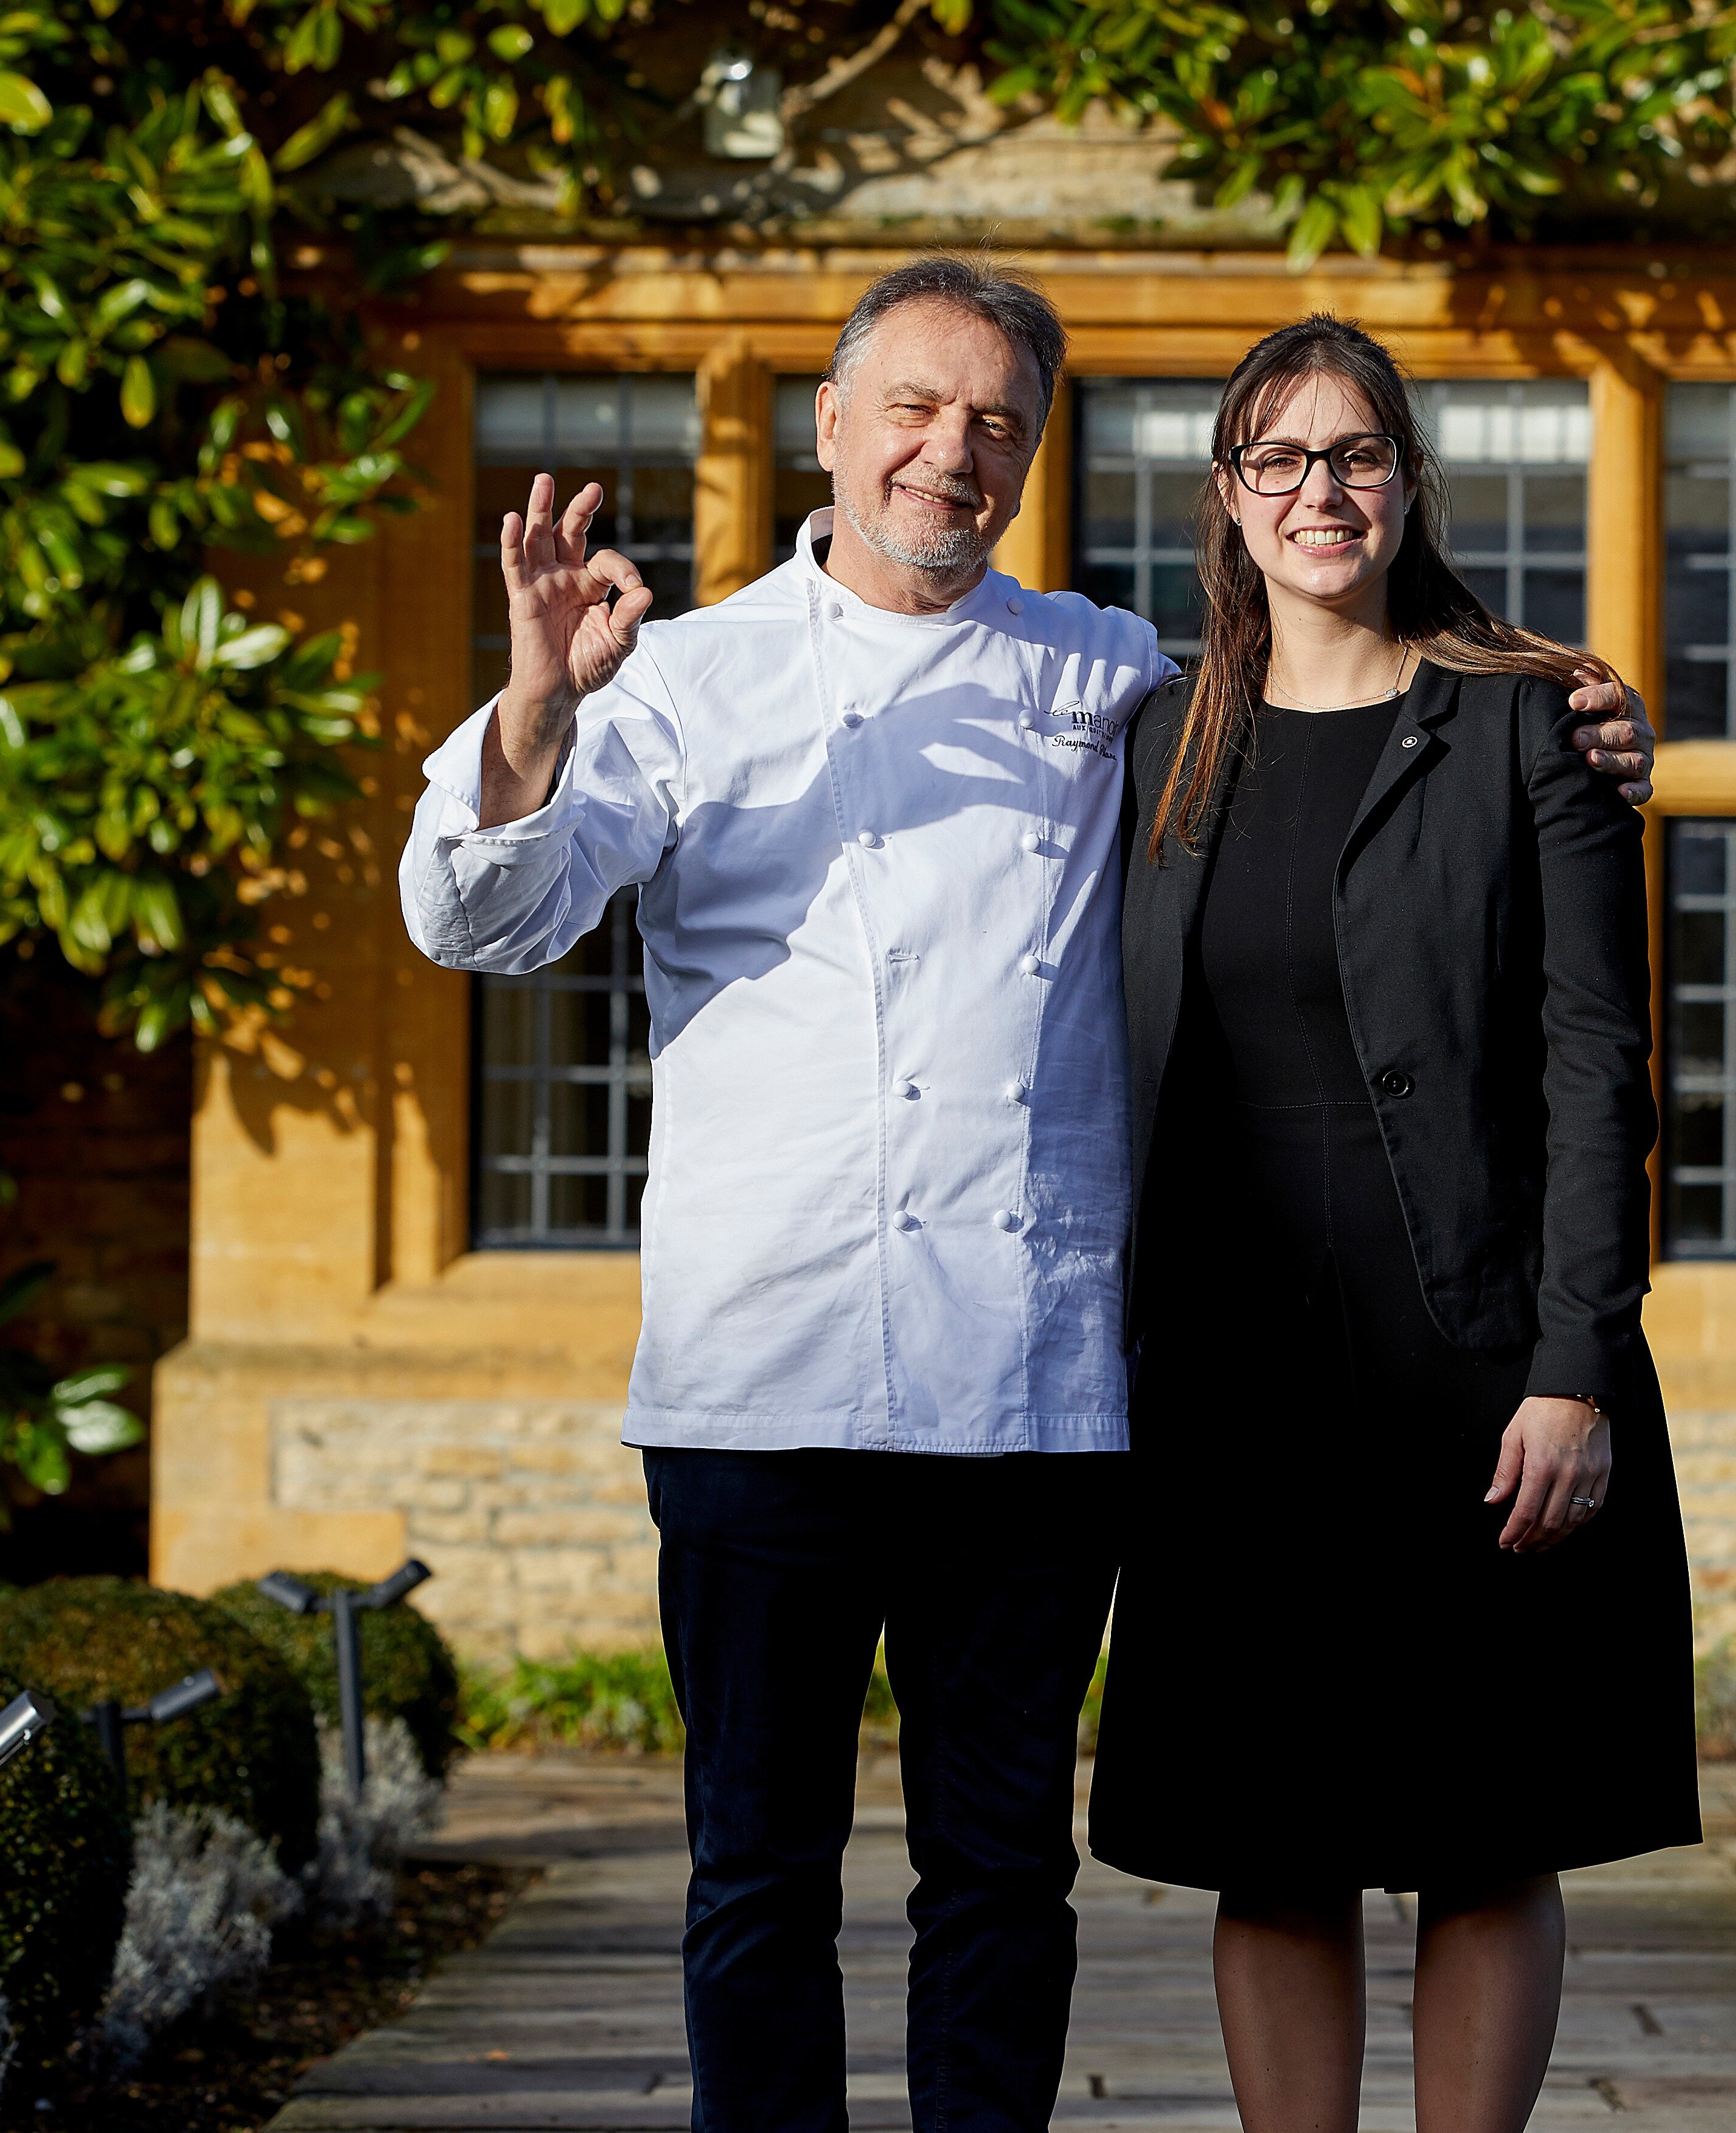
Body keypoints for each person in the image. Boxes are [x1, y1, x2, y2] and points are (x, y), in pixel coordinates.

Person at [400, 258, 1656, 2133]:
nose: (949, 450)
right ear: (828, 427)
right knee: (756, 1878)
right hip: (764, 1382)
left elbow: (1364, 719)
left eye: (995, 420)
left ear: (1035, 454)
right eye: (911, 406)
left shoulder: (1115, 683)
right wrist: (533, 709)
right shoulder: (670, 679)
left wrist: (1584, 723)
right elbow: (480, 915)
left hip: (1025, 1394)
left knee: (1000, 1880)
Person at [1088, 314, 1700, 2133]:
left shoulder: (1530, 721)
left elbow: (1604, 1068)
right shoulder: (1152, 744)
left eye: (1355, 453)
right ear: (1227, 495)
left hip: (1478, 1358)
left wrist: (1576, 1367)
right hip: (1227, 1378)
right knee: (1266, 1840)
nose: (1319, 491)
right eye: (1277, 457)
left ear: (1409, 477)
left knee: (1482, 1828)